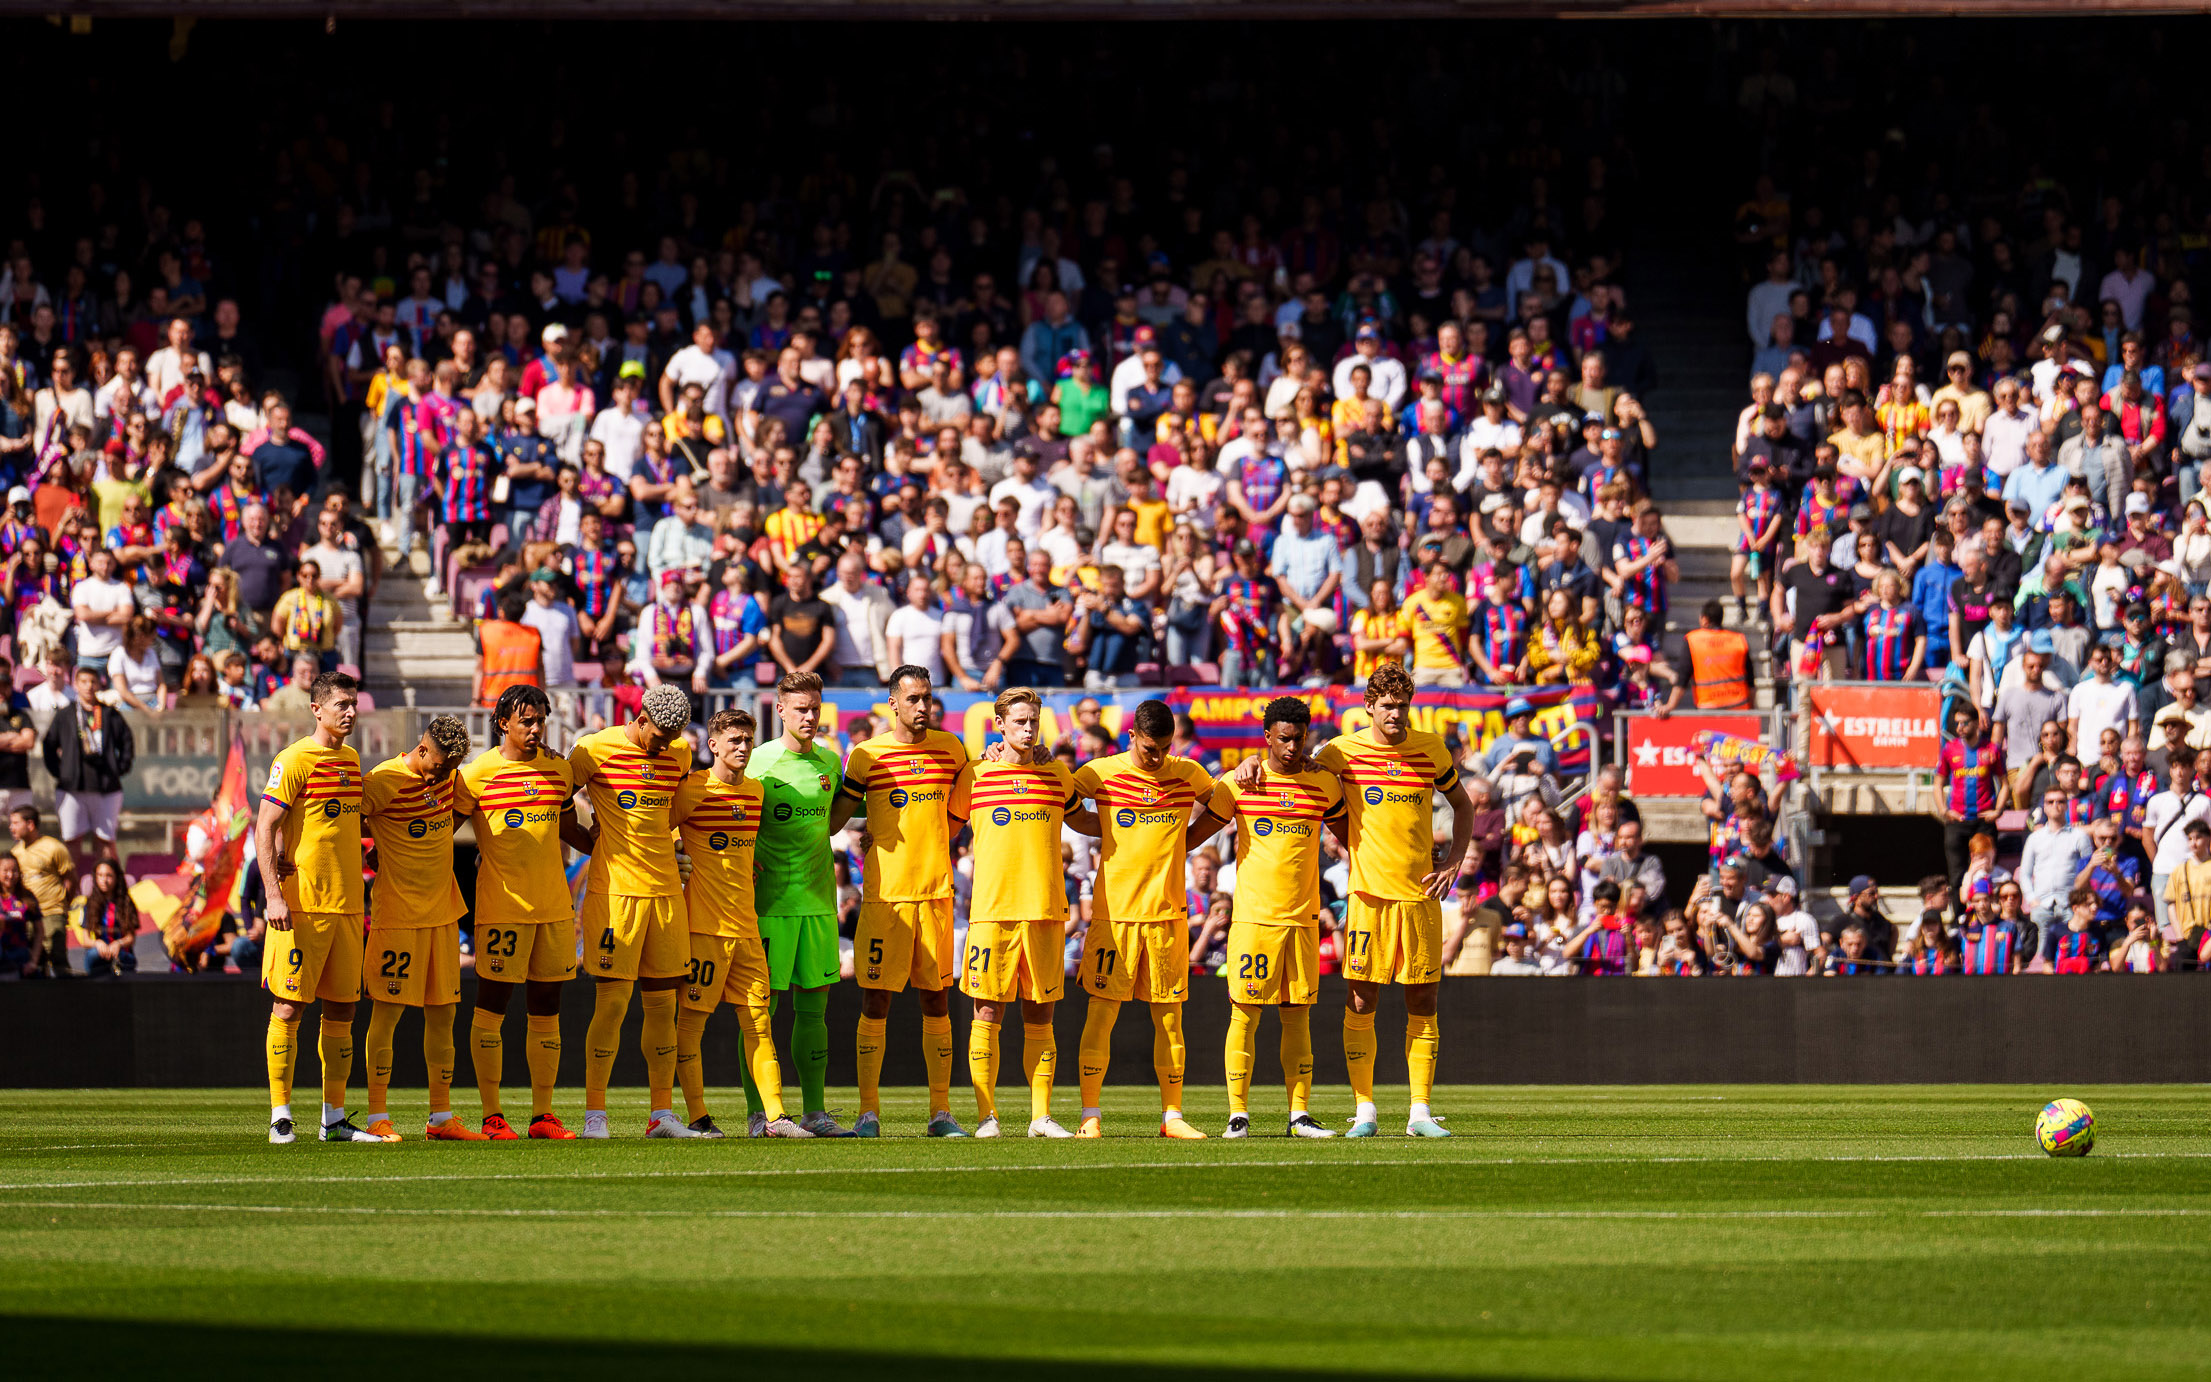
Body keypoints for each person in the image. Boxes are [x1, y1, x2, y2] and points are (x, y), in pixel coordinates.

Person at [1181, 696, 1348, 1139]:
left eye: (1299, 738)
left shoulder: (1324, 785)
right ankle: (1238, 1114)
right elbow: (1194, 836)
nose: (1292, 747)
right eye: (1283, 739)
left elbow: (1356, 837)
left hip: (1303, 920)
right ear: (1267, 737)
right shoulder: (1240, 784)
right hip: (1254, 920)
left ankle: (1299, 1115)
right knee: (1245, 1015)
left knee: (1298, 1016)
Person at [830, 665, 975, 1138]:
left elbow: (956, 819)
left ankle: (941, 1112)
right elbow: (835, 819)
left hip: (935, 894)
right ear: (892, 703)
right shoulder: (866, 755)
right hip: (884, 899)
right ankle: (867, 1113)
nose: (922, 707)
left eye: (927, 698)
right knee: (876, 1002)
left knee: (937, 1002)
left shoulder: (953, 750)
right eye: (913, 698)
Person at [945, 687, 1092, 1138]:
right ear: (1000, 725)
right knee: (986, 1012)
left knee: (1040, 1014)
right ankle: (987, 1116)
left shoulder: (1057, 774)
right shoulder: (976, 774)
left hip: (1045, 911)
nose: (1029, 729)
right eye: (1020, 721)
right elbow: (944, 829)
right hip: (992, 911)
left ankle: (1040, 1117)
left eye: (1034, 721)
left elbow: (1085, 821)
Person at [1066, 698, 1215, 1139]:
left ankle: (1173, 1117)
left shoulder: (1187, 773)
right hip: (1114, 919)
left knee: (1170, 1020)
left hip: (1168, 917)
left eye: (1165, 748)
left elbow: (1224, 803)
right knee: (1101, 1016)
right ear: (1132, 736)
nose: (1157, 757)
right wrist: (1105, 827)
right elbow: (1066, 802)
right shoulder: (1099, 773)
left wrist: (1187, 838)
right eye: (1150, 748)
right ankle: (1089, 1115)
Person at [253, 671, 388, 1144]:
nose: (350, 712)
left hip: (350, 907)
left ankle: (333, 1118)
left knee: (343, 1012)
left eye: (353, 704)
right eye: (341, 705)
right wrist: (272, 895)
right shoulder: (293, 759)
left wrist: (369, 854)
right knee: (288, 1009)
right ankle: (280, 1114)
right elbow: (264, 826)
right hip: (303, 906)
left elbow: (340, 828)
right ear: (317, 709)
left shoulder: (351, 760)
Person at [453, 686, 593, 1138]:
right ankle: (492, 1114)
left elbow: (572, 828)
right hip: (501, 909)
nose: (535, 729)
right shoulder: (477, 774)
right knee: (493, 1004)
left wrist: (620, 851)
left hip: (553, 907)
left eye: (540, 721)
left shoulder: (558, 770)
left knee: (547, 1007)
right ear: (503, 724)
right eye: (526, 721)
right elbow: (443, 831)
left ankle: (542, 1115)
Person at [560, 683, 698, 1139]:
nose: (664, 745)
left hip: (665, 895)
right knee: (613, 1004)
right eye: (658, 735)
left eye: (671, 737)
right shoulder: (593, 750)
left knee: (664, 1008)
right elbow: (557, 802)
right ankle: (594, 1115)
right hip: (613, 895)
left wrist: (677, 848)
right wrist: (588, 841)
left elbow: (671, 816)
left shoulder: (679, 754)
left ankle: (661, 1114)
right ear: (640, 720)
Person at [670, 708, 811, 1139]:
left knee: (759, 1024)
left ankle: (775, 1119)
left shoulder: (754, 791)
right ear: (713, 745)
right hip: (703, 930)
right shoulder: (693, 788)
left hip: (746, 929)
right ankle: (698, 1116)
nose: (743, 748)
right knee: (691, 1024)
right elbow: (657, 828)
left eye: (748, 740)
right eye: (734, 741)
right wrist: (676, 852)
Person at [356, 715, 480, 1141]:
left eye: (450, 770)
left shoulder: (450, 778)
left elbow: (459, 809)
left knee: (444, 1016)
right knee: (387, 1016)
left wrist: (433, 836)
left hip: (444, 914)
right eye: (440, 767)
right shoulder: (381, 781)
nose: (443, 777)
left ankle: (441, 1118)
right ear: (422, 749)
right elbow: (346, 823)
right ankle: (376, 1117)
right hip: (397, 916)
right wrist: (374, 849)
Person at [744, 671, 854, 1137]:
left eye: (815, 708)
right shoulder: (757, 763)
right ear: (780, 709)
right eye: (801, 709)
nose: (810, 717)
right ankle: (760, 1115)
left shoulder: (831, 763)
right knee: (760, 1015)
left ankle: (814, 1112)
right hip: (769, 907)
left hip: (819, 906)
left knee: (814, 1012)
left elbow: (830, 826)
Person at [41, 664, 133, 868]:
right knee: (72, 843)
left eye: (93, 682)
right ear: (75, 685)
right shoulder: (65, 715)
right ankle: (69, 896)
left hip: (105, 788)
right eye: (84, 682)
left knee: (106, 843)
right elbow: (48, 745)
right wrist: (61, 772)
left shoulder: (109, 714)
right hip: (72, 789)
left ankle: (108, 895)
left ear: (99, 685)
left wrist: (119, 768)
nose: (89, 686)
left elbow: (127, 742)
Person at [10, 807, 72, 980]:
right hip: (29, 916)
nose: (11, 827)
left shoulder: (53, 847)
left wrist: (63, 905)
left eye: (15, 823)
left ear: (30, 824)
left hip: (52, 913)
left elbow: (70, 879)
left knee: (58, 962)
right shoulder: (15, 852)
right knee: (33, 964)